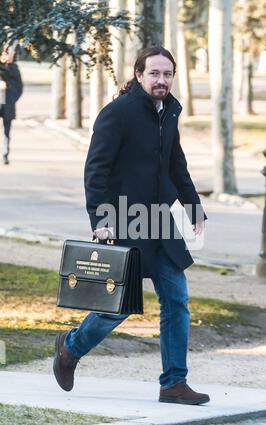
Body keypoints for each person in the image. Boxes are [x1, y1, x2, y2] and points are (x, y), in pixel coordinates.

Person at [53, 46, 210, 406]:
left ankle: (173, 383)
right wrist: (101, 220)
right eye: (154, 73)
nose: (161, 80)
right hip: (126, 220)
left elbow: (175, 162)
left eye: (167, 74)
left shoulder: (169, 110)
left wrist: (192, 206)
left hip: (161, 224)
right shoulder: (117, 114)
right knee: (119, 306)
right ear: (139, 75)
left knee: (177, 299)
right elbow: (95, 171)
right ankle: (70, 346)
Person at [0, 46, 23, 165]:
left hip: (8, 103)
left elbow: (19, 88)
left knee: (7, 132)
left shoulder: (14, 69)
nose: (7, 56)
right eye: (5, 54)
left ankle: (5, 154)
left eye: (9, 54)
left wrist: (8, 89)